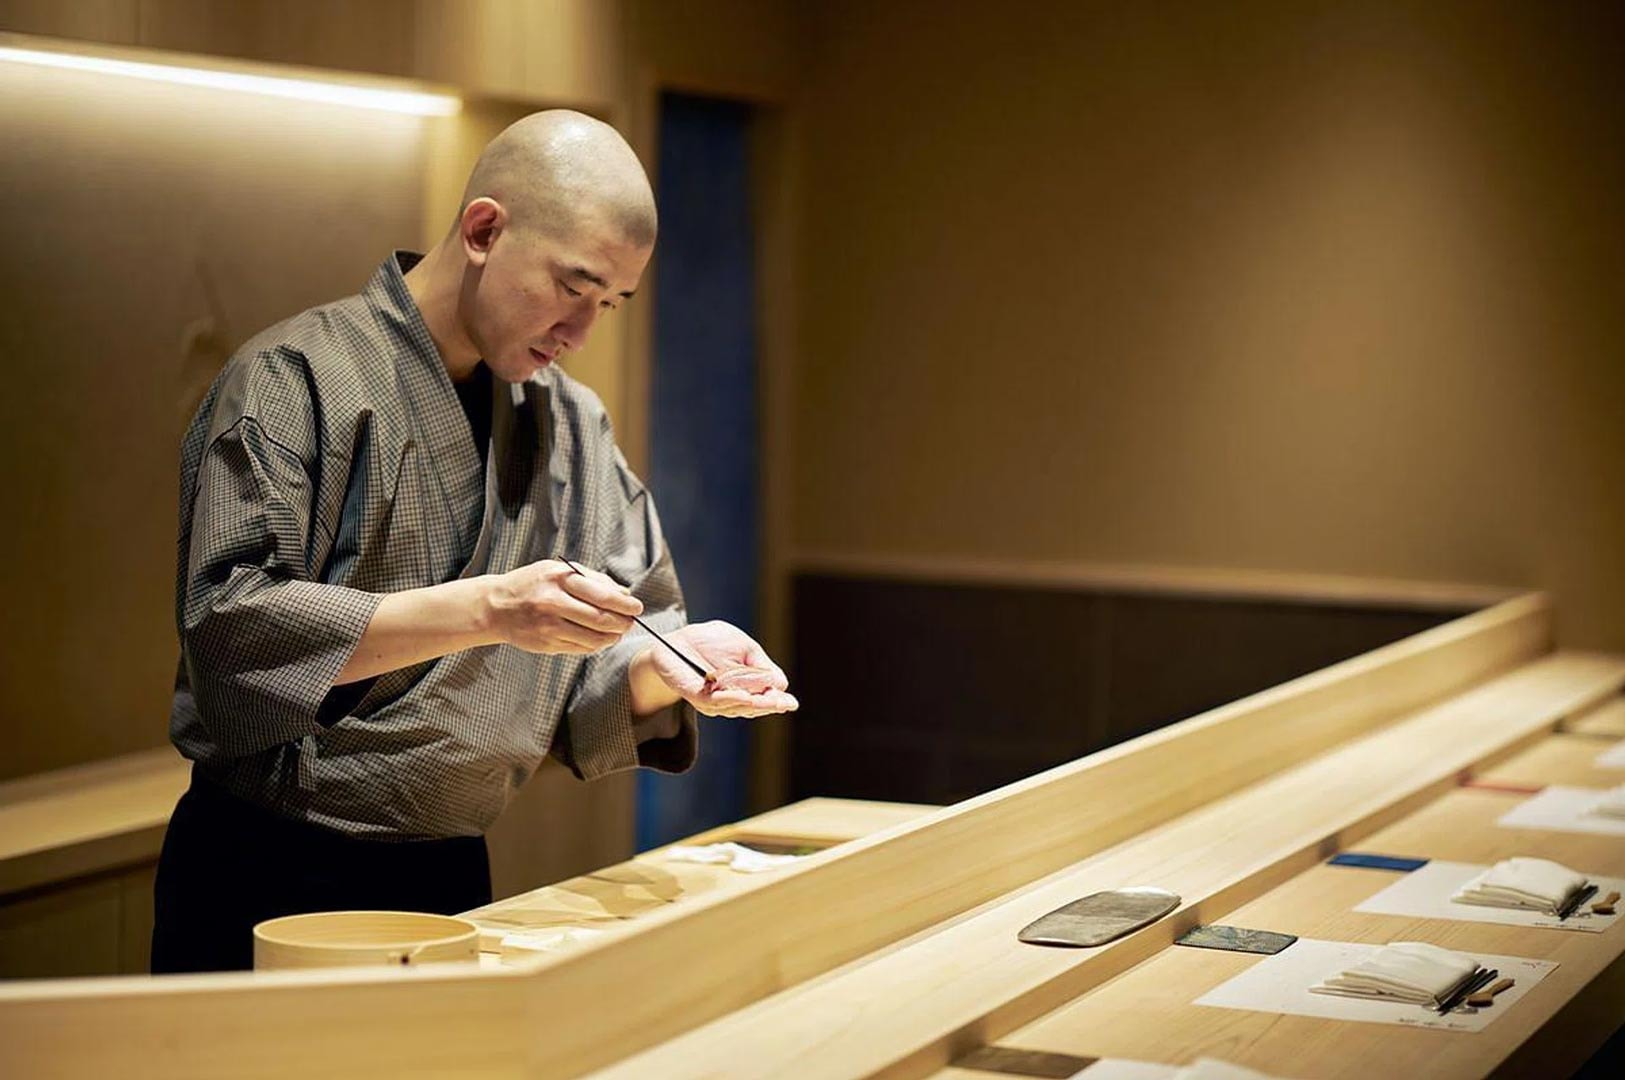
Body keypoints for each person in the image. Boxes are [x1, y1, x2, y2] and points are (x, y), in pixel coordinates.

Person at [150, 110, 797, 973]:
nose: (580, 332)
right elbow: (233, 627)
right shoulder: (296, 376)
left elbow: (597, 658)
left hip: (452, 868)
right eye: (571, 287)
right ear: (484, 228)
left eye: (608, 303)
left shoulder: (570, 421)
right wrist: (490, 608)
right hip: (270, 863)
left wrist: (664, 664)